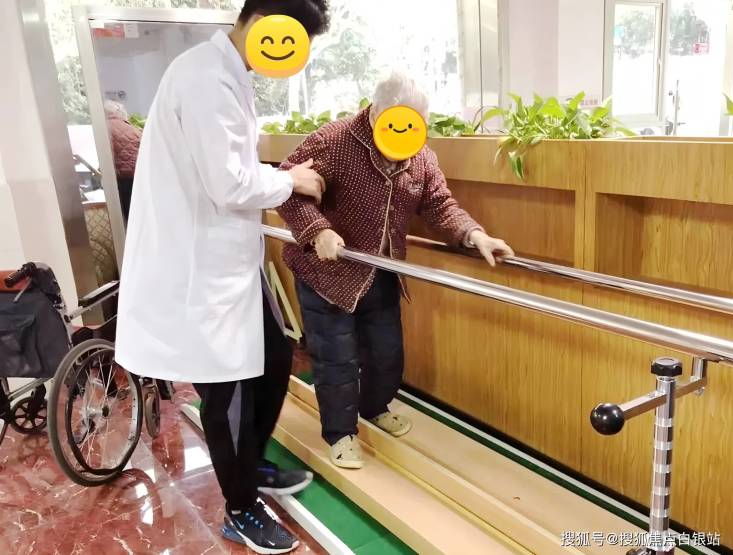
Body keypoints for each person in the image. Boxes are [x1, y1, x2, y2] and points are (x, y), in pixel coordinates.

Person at [114, 1, 330, 553]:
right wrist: (291, 181)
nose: (290, 57)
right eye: (292, 41)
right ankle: (240, 507)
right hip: (201, 268)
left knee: (275, 358)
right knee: (228, 388)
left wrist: (277, 179)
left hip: (227, 262)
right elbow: (228, 183)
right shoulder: (206, 80)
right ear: (264, 23)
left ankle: (248, 465)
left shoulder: (225, 73)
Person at [277, 72, 515, 469]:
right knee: (336, 359)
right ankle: (340, 434)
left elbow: (440, 205)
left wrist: (475, 236)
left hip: (381, 272)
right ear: (375, 114)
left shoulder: (421, 157)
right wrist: (318, 230)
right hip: (326, 273)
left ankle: (373, 408)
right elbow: (285, 188)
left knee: (386, 354)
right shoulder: (333, 141)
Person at [103, 100, 141, 223]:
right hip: (136, 175)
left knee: (123, 213)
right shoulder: (133, 129)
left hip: (119, 178)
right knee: (135, 211)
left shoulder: (105, 128)